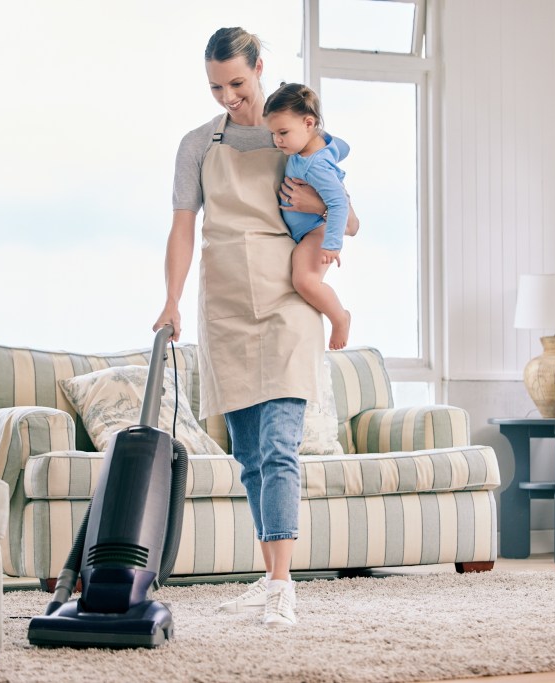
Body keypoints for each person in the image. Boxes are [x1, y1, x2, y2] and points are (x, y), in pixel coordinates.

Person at [153, 26, 358, 628]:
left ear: (260, 67)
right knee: (247, 454)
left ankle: (282, 584)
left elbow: (350, 222)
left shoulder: (294, 138)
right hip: (224, 305)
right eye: (217, 87)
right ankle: (270, 578)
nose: (228, 97)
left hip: (287, 300)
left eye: (237, 83)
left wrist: (319, 209)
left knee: (278, 445)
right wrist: (171, 299)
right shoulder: (197, 143)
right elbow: (182, 227)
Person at [264, 82, 351, 350]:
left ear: (309, 123)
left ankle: (339, 318)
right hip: (310, 230)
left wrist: (331, 244)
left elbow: (338, 203)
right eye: (273, 134)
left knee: (304, 281)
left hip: (317, 231)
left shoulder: (316, 165)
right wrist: (327, 145)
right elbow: (344, 147)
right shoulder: (313, 146)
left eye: (283, 133)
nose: (277, 141)